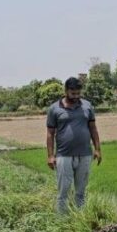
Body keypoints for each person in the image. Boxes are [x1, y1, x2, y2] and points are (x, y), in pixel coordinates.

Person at [46, 77, 102, 213]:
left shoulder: (87, 106)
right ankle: (62, 221)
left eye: (78, 93)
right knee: (63, 191)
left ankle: (80, 219)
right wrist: (50, 156)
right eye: (73, 93)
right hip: (64, 155)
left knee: (81, 191)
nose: (76, 96)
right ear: (66, 91)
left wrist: (97, 149)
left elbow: (93, 128)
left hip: (85, 154)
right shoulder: (54, 109)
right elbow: (50, 134)